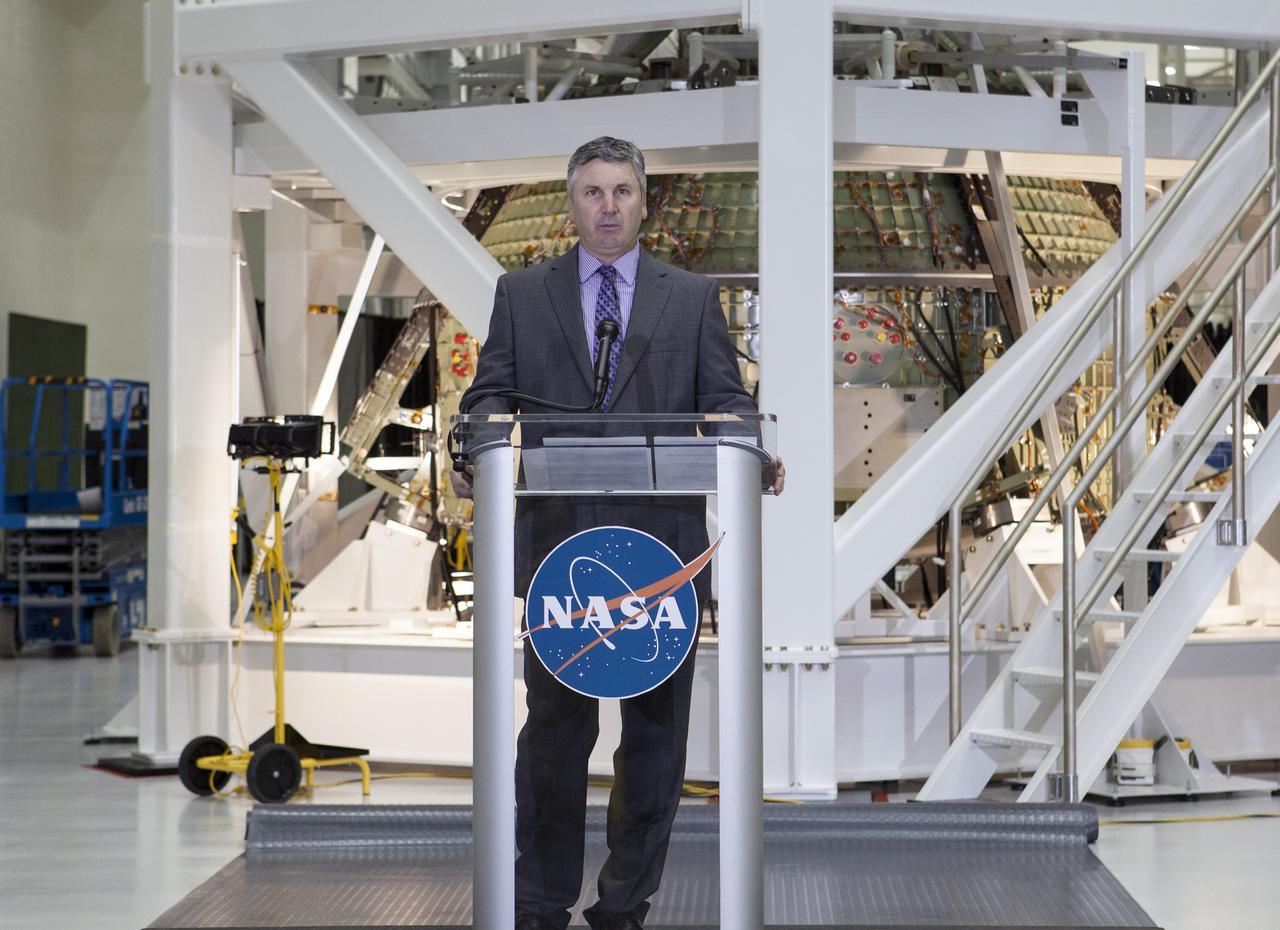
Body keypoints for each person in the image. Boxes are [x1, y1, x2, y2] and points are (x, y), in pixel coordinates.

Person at [452, 136, 784, 930]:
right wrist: (477, 445)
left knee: (654, 747)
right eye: (593, 193)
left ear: (644, 202)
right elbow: (488, 394)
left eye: (622, 192)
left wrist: (751, 447)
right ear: (572, 205)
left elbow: (729, 401)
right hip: (559, 554)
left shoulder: (692, 297)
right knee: (554, 742)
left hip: (661, 556)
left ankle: (625, 905)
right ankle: (540, 902)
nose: (607, 208)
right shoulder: (522, 296)